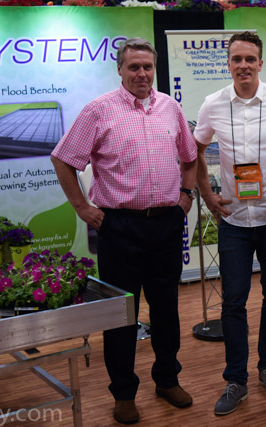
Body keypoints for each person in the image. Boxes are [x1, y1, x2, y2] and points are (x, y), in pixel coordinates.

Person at [50, 38, 197, 425]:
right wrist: (82, 207)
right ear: (120, 69)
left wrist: (187, 196)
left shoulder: (171, 107)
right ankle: (124, 393)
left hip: (165, 224)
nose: (142, 74)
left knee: (166, 309)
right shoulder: (99, 110)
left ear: (154, 68)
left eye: (147, 67)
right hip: (120, 228)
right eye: (134, 67)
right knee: (121, 314)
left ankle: (167, 380)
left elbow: (190, 157)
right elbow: (63, 159)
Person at [194, 31, 266, 416]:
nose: (243, 66)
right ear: (228, 64)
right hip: (234, 221)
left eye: (250, 59)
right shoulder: (213, 104)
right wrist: (207, 195)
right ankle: (235, 380)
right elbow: (195, 150)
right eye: (236, 59)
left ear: (260, 63)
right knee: (233, 301)